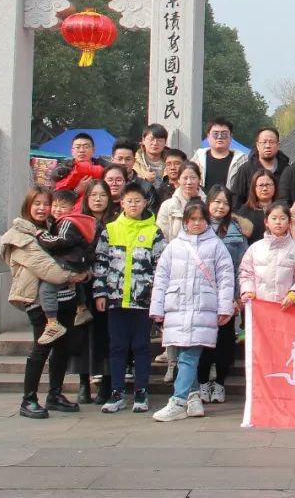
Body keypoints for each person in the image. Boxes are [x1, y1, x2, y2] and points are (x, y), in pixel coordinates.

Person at [1, 187, 86, 419]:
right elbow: (48, 269)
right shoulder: (19, 235)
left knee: (63, 347)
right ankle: (28, 399)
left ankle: (55, 393)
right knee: (41, 347)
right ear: (27, 206)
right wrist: (73, 275)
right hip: (39, 301)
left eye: (45, 203)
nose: (42, 208)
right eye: (36, 203)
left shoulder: (54, 229)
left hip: (65, 298)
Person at [149, 200, 235, 422]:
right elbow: (161, 279)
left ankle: (178, 400)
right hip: (177, 307)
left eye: (200, 219)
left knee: (189, 354)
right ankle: (194, 396)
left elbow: (226, 279)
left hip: (202, 308)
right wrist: (157, 308)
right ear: (185, 221)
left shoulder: (216, 246)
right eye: (192, 219)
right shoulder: (174, 246)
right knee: (182, 355)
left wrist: (225, 307)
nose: (196, 223)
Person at [93, 183, 166, 414]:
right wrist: (100, 292)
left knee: (141, 347)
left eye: (138, 200)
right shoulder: (110, 230)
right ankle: (116, 392)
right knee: (117, 347)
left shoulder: (154, 232)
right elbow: (100, 263)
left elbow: (161, 266)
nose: (133, 204)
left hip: (142, 301)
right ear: (121, 203)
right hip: (115, 300)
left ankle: (141, 391)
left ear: (145, 203)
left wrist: (157, 297)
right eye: (129, 200)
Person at [197, 185, 248, 405]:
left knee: (225, 342)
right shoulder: (198, 226)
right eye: (216, 201)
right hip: (202, 294)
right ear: (208, 202)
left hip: (227, 294)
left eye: (225, 203)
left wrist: (238, 295)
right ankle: (202, 382)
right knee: (203, 340)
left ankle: (219, 383)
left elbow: (242, 264)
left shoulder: (235, 230)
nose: (220, 206)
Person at [32, 195, 97, 344]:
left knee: (46, 289)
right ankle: (82, 308)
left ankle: (53, 323)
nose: (57, 209)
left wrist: (43, 236)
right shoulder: (70, 221)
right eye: (55, 206)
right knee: (77, 283)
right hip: (78, 261)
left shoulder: (67, 222)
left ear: (72, 208)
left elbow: (61, 241)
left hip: (70, 262)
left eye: (62, 207)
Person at [77, 180, 116, 403]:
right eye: (93, 195)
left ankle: (106, 384)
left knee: (106, 336)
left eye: (102, 195)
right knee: (83, 337)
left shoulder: (115, 222)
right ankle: (84, 383)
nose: (98, 199)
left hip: (109, 287)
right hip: (83, 287)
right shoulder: (77, 222)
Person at [238, 201, 295, 305]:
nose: (278, 222)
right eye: (274, 218)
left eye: (282, 218)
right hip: (260, 306)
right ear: (266, 222)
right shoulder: (255, 248)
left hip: (287, 307)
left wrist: (294, 293)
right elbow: (246, 273)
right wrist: (248, 291)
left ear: (289, 222)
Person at [230, 127, 289, 208]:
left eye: (271, 142)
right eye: (264, 142)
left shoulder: (287, 170)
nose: (267, 146)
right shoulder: (246, 169)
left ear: (278, 145)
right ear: (257, 145)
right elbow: (236, 199)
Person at [190, 117, 248, 198]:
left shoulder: (242, 160)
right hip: (202, 205)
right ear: (208, 136)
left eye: (224, 134)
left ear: (231, 136)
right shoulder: (198, 157)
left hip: (231, 206)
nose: (219, 137)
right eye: (215, 134)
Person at [157, 162, 206, 243]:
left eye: (193, 178)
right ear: (179, 179)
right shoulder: (167, 206)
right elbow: (162, 236)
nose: (189, 182)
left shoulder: (208, 204)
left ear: (199, 180)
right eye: (185, 178)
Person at [108, 140, 158, 210]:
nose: (123, 162)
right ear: (112, 160)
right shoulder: (104, 184)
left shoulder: (146, 187)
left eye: (128, 159)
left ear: (134, 161)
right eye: (120, 158)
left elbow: (150, 215)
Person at [233, 168, 278, 244]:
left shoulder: (282, 209)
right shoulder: (244, 212)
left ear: (275, 186)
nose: (264, 189)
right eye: (261, 185)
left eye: (268, 185)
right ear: (254, 188)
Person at [133, 123, 169, 192]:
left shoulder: (171, 161)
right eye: (151, 139)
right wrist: (144, 180)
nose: (155, 143)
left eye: (160, 140)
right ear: (143, 140)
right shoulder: (134, 160)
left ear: (165, 142)